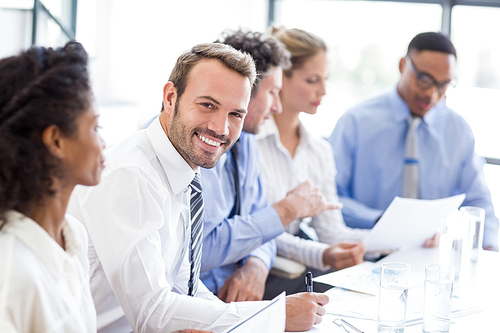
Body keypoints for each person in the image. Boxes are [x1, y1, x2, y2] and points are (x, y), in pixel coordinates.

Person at [68, 42, 329, 332]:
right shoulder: (131, 177)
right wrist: (271, 317)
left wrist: (251, 319)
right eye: (208, 105)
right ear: (170, 98)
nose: (221, 128)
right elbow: (152, 313)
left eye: (235, 115)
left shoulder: (181, 173)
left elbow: (183, 287)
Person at [200, 29, 339, 303]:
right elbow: (203, 250)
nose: (276, 107)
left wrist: (257, 264)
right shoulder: (204, 146)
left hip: (238, 286)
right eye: (273, 92)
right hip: (208, 296)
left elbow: (261, 229)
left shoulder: (246, 143)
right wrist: (286, 210)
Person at [328, 32, 499, 251]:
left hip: (429, 258)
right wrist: (381, 221)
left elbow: (479, 202)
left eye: (443, 85)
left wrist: (490, 250)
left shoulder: (459, 131)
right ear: (402, 65)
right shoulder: (356, 122)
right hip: (363, 253)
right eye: (424, 80)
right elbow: (330, 199)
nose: (432, 94)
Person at [255, 27, 367, 297]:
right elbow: (257, 230)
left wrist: (394, 240)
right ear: (281, 76)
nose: (324, 91)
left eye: (325, 79)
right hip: (262, 270)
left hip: (296, 266)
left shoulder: (319, 150)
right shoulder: (250, 142)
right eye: (313, 80)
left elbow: (331, 231)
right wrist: (322, 254)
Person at [0, 42, 104, 332]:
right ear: (56, 141)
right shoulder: (12, 272)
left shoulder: (74, 237)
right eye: (96, 128)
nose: (103, 144)